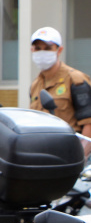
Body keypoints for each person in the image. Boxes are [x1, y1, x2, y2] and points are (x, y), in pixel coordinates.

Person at [28, 26, 91, 157]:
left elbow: (88, 124)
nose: (42, 52)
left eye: (47, 48)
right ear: (32, 50)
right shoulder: (35, 85)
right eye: (38, 48)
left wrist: (80, 158)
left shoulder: (75, 80)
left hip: (68, 153)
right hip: (42, 153)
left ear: (59, 50)